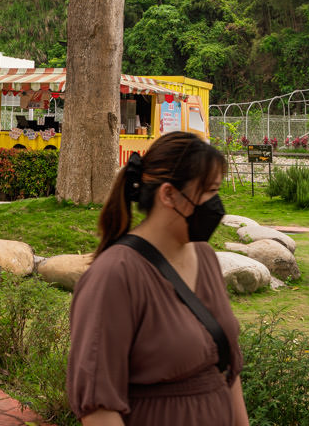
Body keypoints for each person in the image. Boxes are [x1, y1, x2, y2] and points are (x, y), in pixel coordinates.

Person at [67, 132, 248, 426]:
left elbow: (227, 372)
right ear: (168, 195)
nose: (216, 204)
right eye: (208, 191)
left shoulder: (206, 257)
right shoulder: (115, 275)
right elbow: (99, 409)